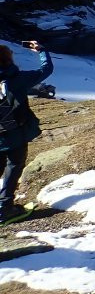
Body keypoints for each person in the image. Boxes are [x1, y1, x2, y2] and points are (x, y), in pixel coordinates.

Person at [1, 40, 53, 222]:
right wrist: (41, 50)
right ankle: (5, 208)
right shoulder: (16, 79)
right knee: (14, 166)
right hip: (14, 134)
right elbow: (45, 70)